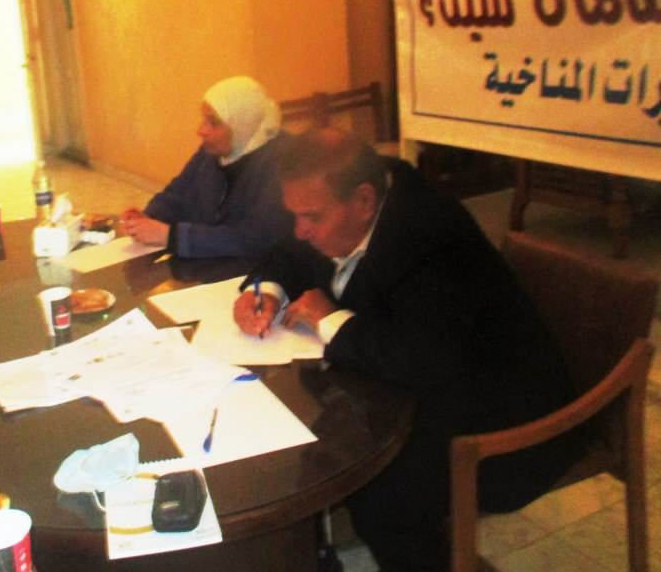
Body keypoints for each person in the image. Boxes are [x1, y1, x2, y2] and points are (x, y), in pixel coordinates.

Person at [233, 128, 581, 572]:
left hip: (501, 416)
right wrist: (266, 291)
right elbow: (286, 253)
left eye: (311, 218)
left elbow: (424, 359)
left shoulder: (431, 236)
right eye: (294, 215)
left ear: (363, 201)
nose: (301, 231)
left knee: (380, 498)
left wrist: (330, 320)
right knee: (311, 442)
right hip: (427, 383)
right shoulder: (347, 204)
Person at [120, 76, 293, 260]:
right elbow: (177, 194)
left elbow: (255, 237)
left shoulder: (284, 160)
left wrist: (171, 236)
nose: (201, 130)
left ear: (242, 124)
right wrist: (150, 217)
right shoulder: (212, 151)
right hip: (209, 261)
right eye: (204, 119)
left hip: (254, 269)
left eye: (214, 122)